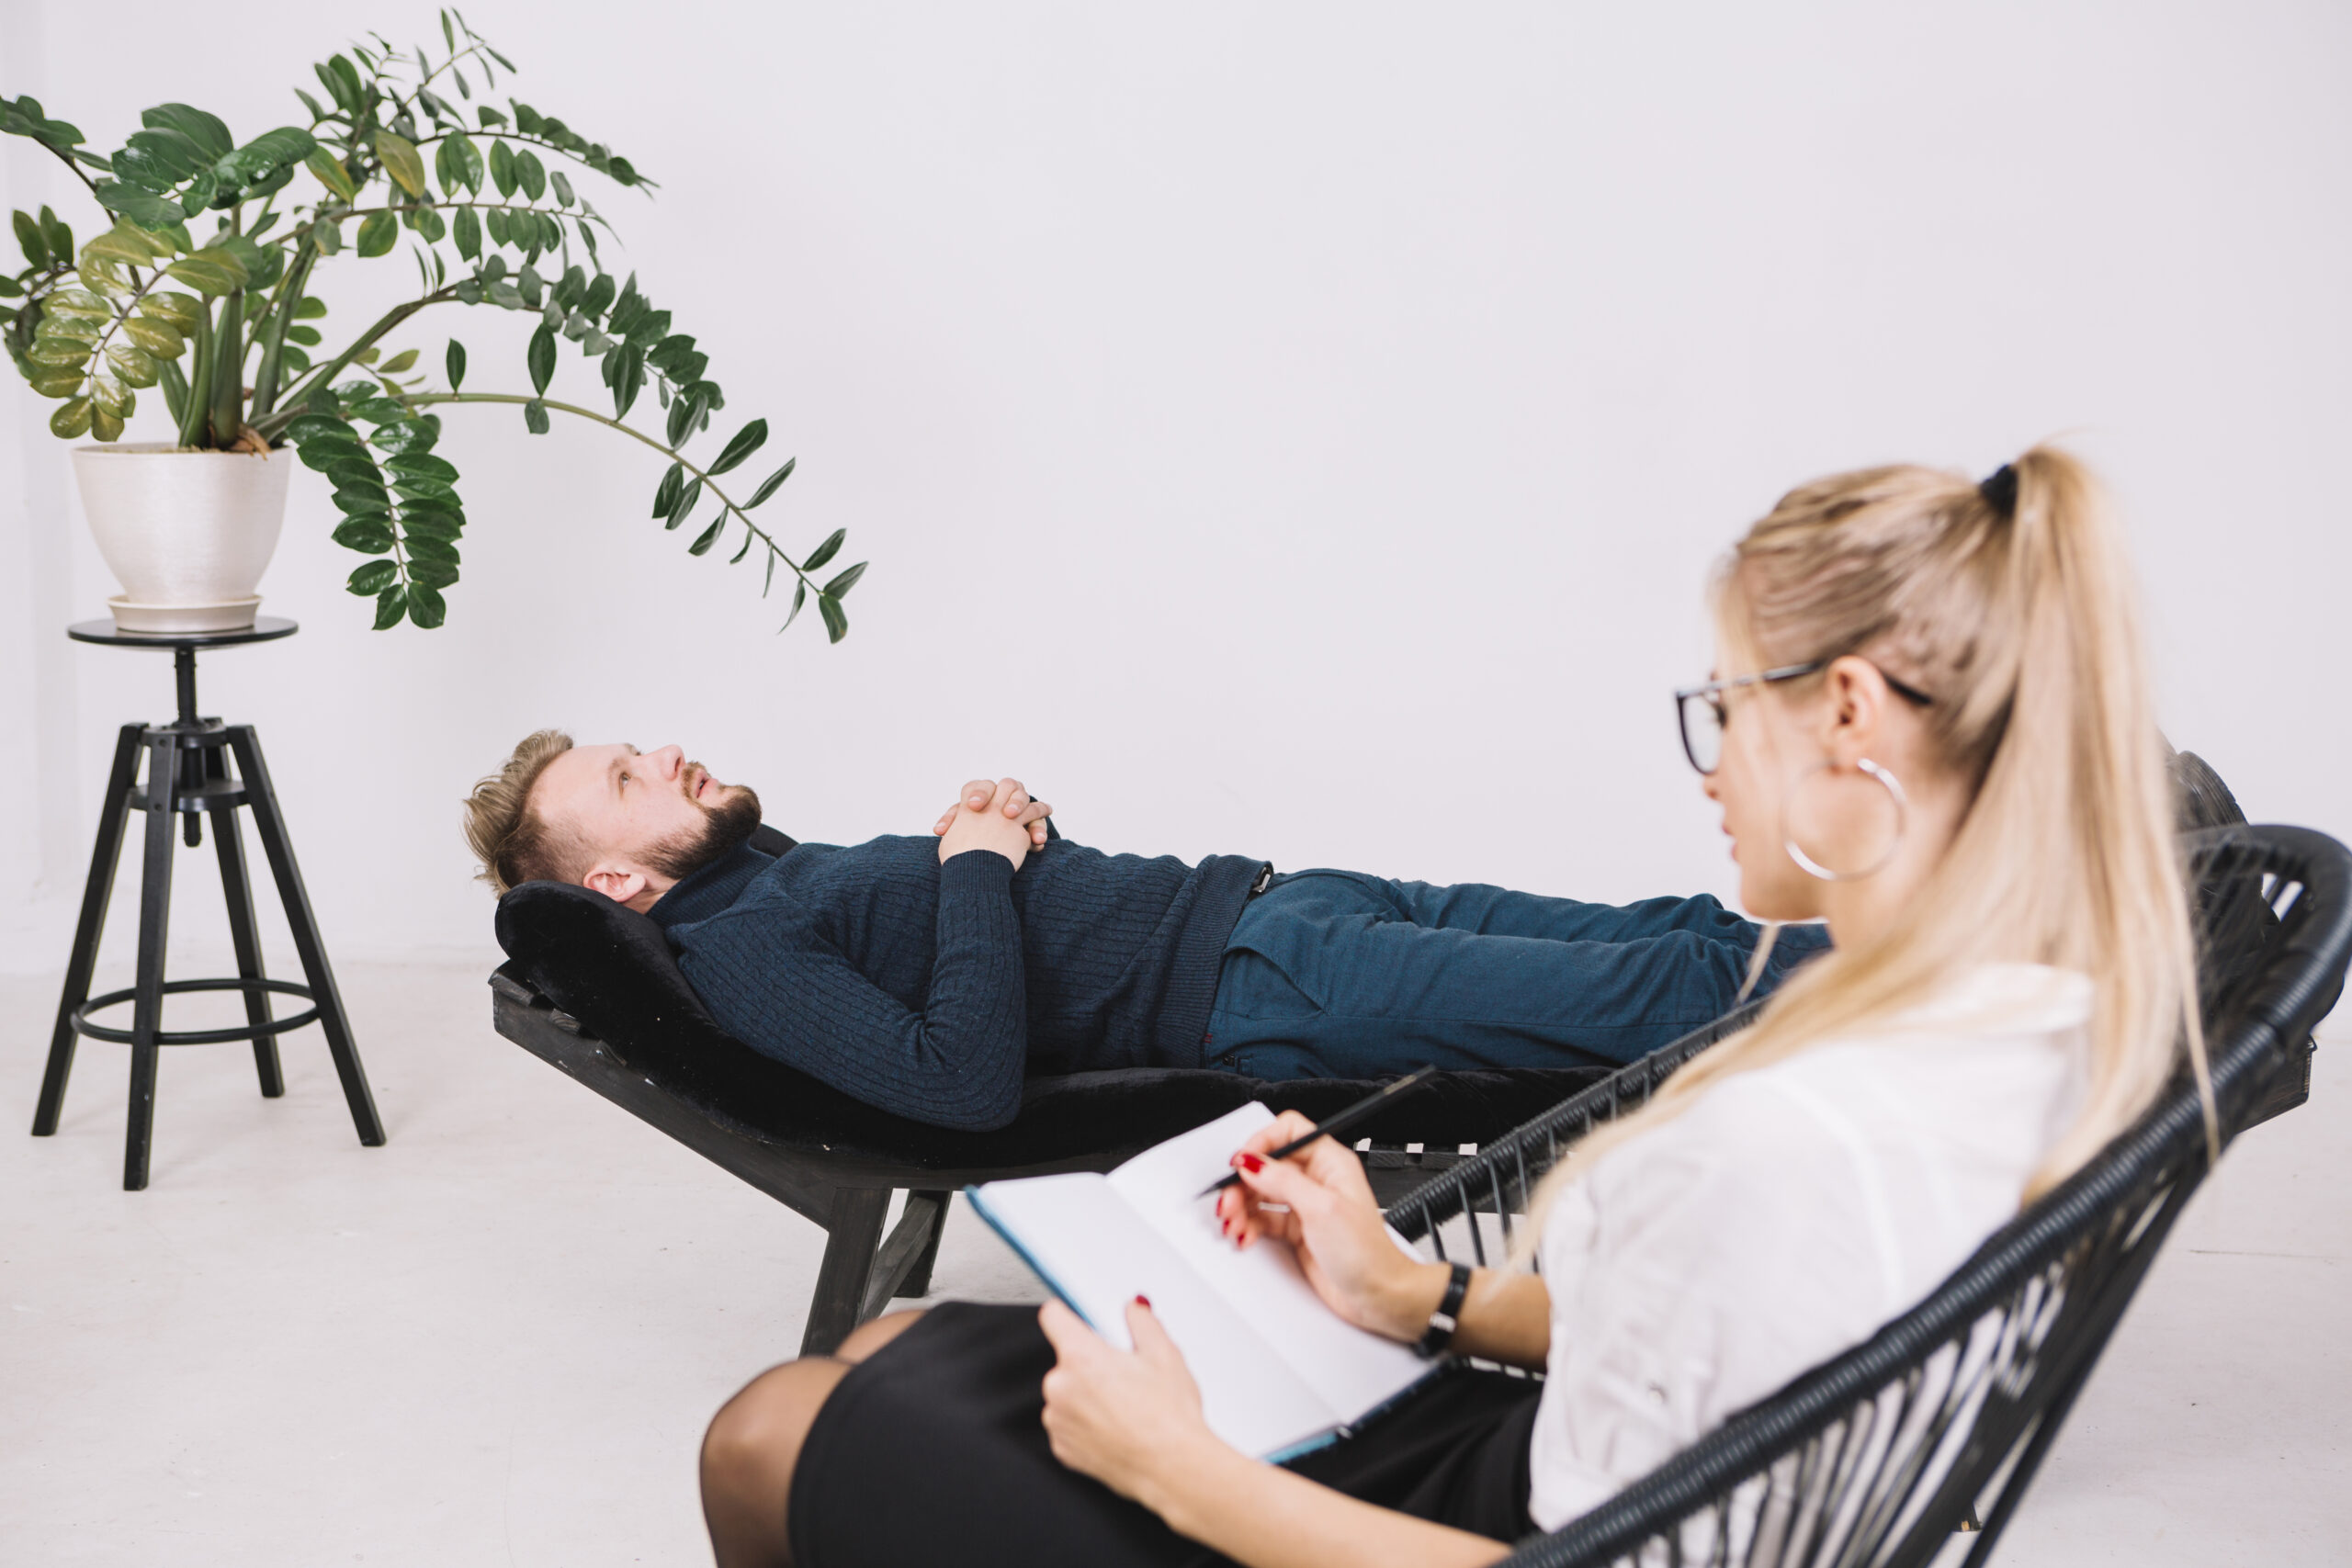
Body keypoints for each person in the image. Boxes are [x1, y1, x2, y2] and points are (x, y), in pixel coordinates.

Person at [692, 444, 2213, 1567]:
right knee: (888, 1363)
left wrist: (1180, 1475)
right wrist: (1406, 1292)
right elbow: (1734, 1375)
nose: (1707, 762)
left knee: (766, 1430)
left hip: (1513, 1523)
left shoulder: (1795, 1123)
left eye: (1726, 707)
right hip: (1558, 1455)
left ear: (1852, 717)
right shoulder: (2004, 1038)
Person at [462, 739, 1826, 1131]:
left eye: (639, 748)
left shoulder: (776, 878)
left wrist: (995, 842)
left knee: (1687, 930)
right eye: (628, 785)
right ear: (624, 888)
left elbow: (973, 931)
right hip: (1262, 990)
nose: (670, 757)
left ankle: (1991, 976)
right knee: (1686, 986)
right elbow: (958, 1078)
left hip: (1285, 903)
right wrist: (977, 870)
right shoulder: (739, 953)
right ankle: (2021, 974)